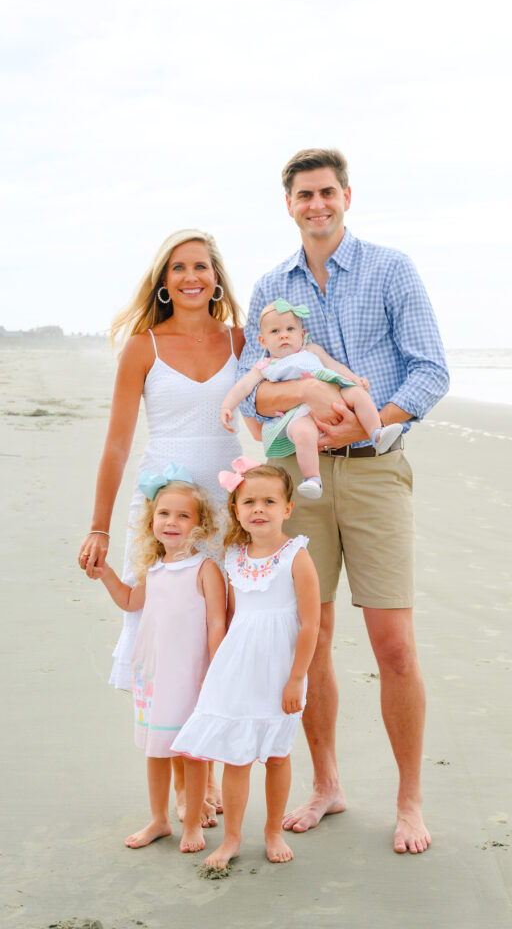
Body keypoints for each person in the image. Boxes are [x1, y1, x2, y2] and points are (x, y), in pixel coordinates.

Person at [236, 148, 450, 854]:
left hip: (376, 473)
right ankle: (327, 785)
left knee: (394, 645)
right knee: (314, 637)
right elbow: (252, 386)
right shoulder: (271, 288)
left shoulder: (392, 270)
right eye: (304, 195)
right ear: (290, 203)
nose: (316, 204)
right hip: (301, 480)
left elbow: (430, 370)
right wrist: (307, 395)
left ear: (347, 197)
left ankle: (410, 801)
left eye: (327, 192)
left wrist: (370, 418)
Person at [78, 228, 251, 818]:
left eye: (201, 266)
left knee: (220, 639)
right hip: (165, 514)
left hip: (229, 512)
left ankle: (209, 772)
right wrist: (100, 528)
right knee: (170, 644)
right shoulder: (143, 347)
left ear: (217, 277)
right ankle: (185, 788)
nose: (191, 277)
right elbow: (117, 446)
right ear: (164, 280)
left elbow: (278, 404)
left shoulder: (241, 339)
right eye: (178, 268)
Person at [172, 460, 320, 867]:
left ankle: (272, 831)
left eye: (270, 501)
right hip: (238, 670)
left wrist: (296, 679)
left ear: (287, 509)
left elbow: (310, 625)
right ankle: (233, 838)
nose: (259, 509)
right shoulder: (233, 556)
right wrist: (220, 668)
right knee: (236, 756)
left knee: (275, 754)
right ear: (236, 510)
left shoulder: (296, 557)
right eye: (249, 501)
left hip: (280, 673)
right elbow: (234, 619)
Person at [90, 469, 227, 852]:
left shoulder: (205, 569)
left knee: (191, 751)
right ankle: (159, 819)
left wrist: (215, 672)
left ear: (200, 525)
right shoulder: (152, 569)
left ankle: (192, 827)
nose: (172, 522)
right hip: (155, 674)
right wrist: (107, 575)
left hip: (191, 676)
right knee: (156, 749)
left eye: (184, 515)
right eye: (165, 513)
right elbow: (130, 603)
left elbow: (217, 623)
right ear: (152, 520)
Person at [219, 298, 403, 498]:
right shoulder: (264, 366)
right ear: (263, 341)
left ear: (302, 334)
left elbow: (334, 366)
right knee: (303, 434)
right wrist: (227, 406)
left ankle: (376, 432)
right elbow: (243, 387)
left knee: (358, 394)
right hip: (297, 413)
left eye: (290, 329)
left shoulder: (311, 350)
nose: (284, 336)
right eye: (275, 332)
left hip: (333, 391)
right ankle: (312, 478)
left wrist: (355, 379)